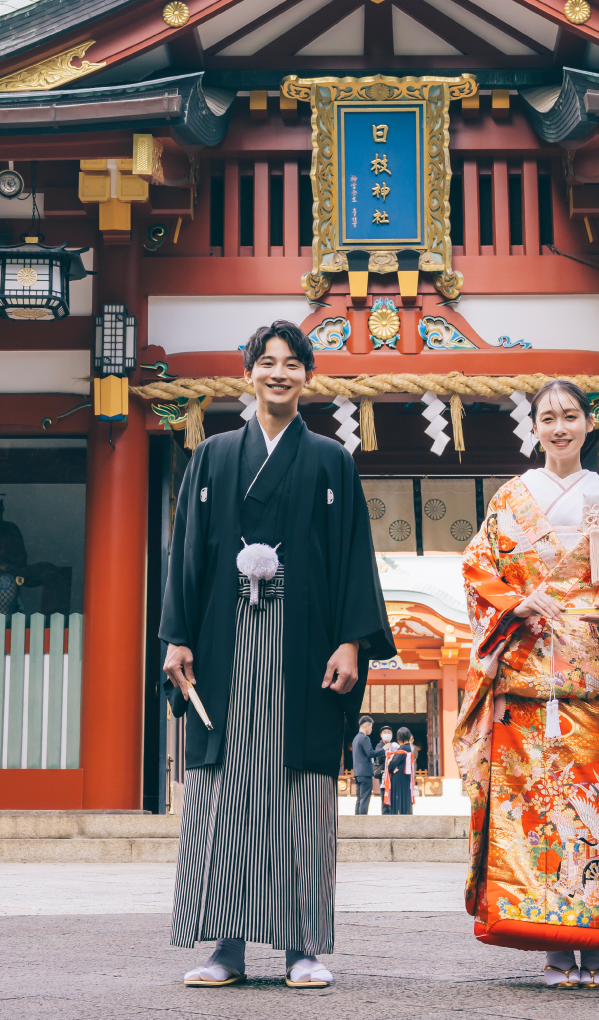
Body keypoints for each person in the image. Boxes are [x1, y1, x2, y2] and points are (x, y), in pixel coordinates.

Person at [160, 319, 394, 990]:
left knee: (300, 789)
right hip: (222, 633)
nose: (280, 373)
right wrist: (177, 636)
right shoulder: (212, 456)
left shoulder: (330, 460)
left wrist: (351, 639)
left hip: (305, 637)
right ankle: (226, 947)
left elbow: (351, 556)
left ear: (308, 377)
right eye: (268, 362)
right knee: (228, 784)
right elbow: (189, 555)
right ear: (249, 373)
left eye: (293, 363)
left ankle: (301, 947)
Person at [456, 378, 599, 990]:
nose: (559, 427)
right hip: (527, 687)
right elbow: (478, 571)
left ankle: (598, 945)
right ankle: (551, 943)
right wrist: (515, 601)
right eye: (548, 417)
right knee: (539, 818)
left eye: (570, 416)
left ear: (587, 423)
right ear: (534, 426)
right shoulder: (511, 498)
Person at [350, 716, 379, 816]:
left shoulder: (355, 739)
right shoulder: (365, 738)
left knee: (359, 799)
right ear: (366, 725)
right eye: (371, 727)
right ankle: (362, 822)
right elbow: (370, 753)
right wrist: (384, 749)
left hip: (357, 773)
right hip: (365, 773)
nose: (371, 729)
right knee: (365, 799)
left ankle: (357, 822)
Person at [384, 728, 416, 814]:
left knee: (398, 798)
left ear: (399, 738)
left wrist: (391, 767)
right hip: (406, 777)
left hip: (399, 778)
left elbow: (391, 765)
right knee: (405, 797)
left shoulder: (402, 749)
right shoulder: (410, 748)